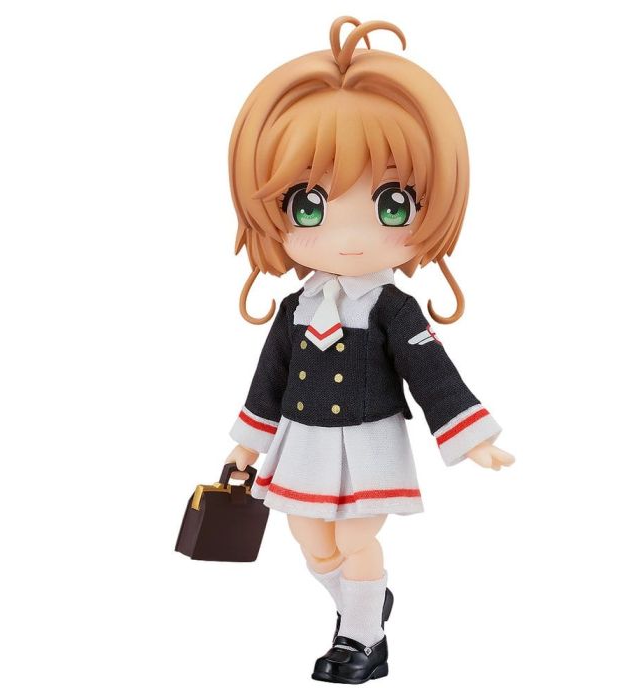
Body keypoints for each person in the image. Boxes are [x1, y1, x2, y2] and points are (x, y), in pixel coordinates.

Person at [224, 16, 514, 684]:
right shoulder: (297, 309)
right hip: (303, 441)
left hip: (369, 440)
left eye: (391, 204)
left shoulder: (391, 308)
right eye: (309, 205)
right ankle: (365, 603)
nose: (349, 236)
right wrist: (247, 444)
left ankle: (362, 640)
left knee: (358, 537)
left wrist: (473, 436)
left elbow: (431, 372)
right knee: (309, 539)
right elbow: (269, 379)